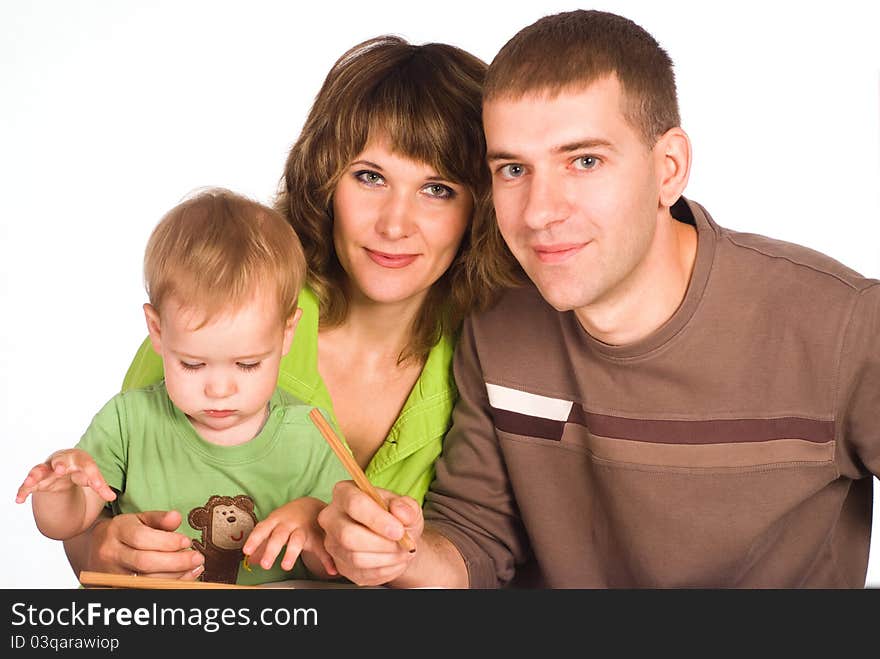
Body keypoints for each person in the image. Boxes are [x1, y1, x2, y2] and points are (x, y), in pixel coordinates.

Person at [318, 10, 880, 588]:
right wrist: (397, 553)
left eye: (584, 161)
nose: (539, 212)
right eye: (513, 169)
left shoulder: (846, 324)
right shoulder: (495, 322)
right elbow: (475, 541)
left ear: (669, 169)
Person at [60, 36, 521, 580]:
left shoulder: (489, 351)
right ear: (326, 179)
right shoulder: (227, 310)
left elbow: (481, 556)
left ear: (482, 204)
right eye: (369, 176)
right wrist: (100, 547)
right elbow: (92, 524)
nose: (395, 224)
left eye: (438, 188)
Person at [17, 189, 351, 585]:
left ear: (286, 333)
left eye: (248, 364)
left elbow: (341, 570)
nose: (220, 389)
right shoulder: (128, 422)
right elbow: (65, 526)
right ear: (157, 332)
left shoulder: (311, 433)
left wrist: (313, 524)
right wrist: (58, 492)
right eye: (193, 364)